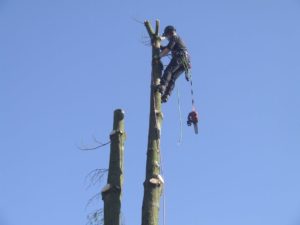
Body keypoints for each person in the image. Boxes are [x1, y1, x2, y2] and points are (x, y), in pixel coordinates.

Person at [155, 25, 191, 103]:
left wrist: (158, 57)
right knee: (173, 77)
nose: (167, 38)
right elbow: (167, 47)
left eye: (167, 36)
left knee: (169, 71)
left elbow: (168, 49)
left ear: (169, 33)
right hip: (186, 62)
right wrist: (159, 46)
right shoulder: (177, 39)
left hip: (180, 57)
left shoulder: (174, 37)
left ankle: (162, 86)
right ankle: (166, 95)